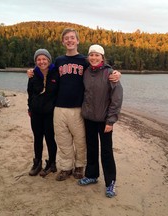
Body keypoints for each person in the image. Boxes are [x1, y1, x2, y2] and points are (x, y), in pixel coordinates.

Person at [27, 28, 121, 181]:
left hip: (78, 108)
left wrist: (115, 72)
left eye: (72, 38)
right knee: (63, 140)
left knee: (80, 140)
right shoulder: (58, 61)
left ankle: (79, 166)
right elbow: (44, 70)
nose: (69, 40)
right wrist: (32, 71)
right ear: (63, 42)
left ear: (77, 41)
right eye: (66, 38)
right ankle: (66, 168)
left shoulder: (85, 60)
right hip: (59, 108)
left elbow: (100, 68)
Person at [78, 44, 123, 198]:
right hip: (89, 118)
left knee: (106, 151)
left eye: (97, 55)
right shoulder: (85, 72)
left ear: (102, 57)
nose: (94, 58)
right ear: (88, 57)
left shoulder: (110, 74)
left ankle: (110, 182)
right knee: (91, 148)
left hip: (104, 120)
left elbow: (117, 99)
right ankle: (91, 175)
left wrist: (111, 121)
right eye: (91, 55)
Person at [27, 49, 59, 177]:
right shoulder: (33, 74)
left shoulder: (56, 73)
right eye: (38, 59)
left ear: (49, 60)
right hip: (36, 113)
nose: (41, 62)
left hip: (50, 113)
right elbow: (30, 93)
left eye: (44, 59)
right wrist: (29, 108)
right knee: (37, 138)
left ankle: (52, 163)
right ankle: (37, 163)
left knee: (50, 138)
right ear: (36, 61)